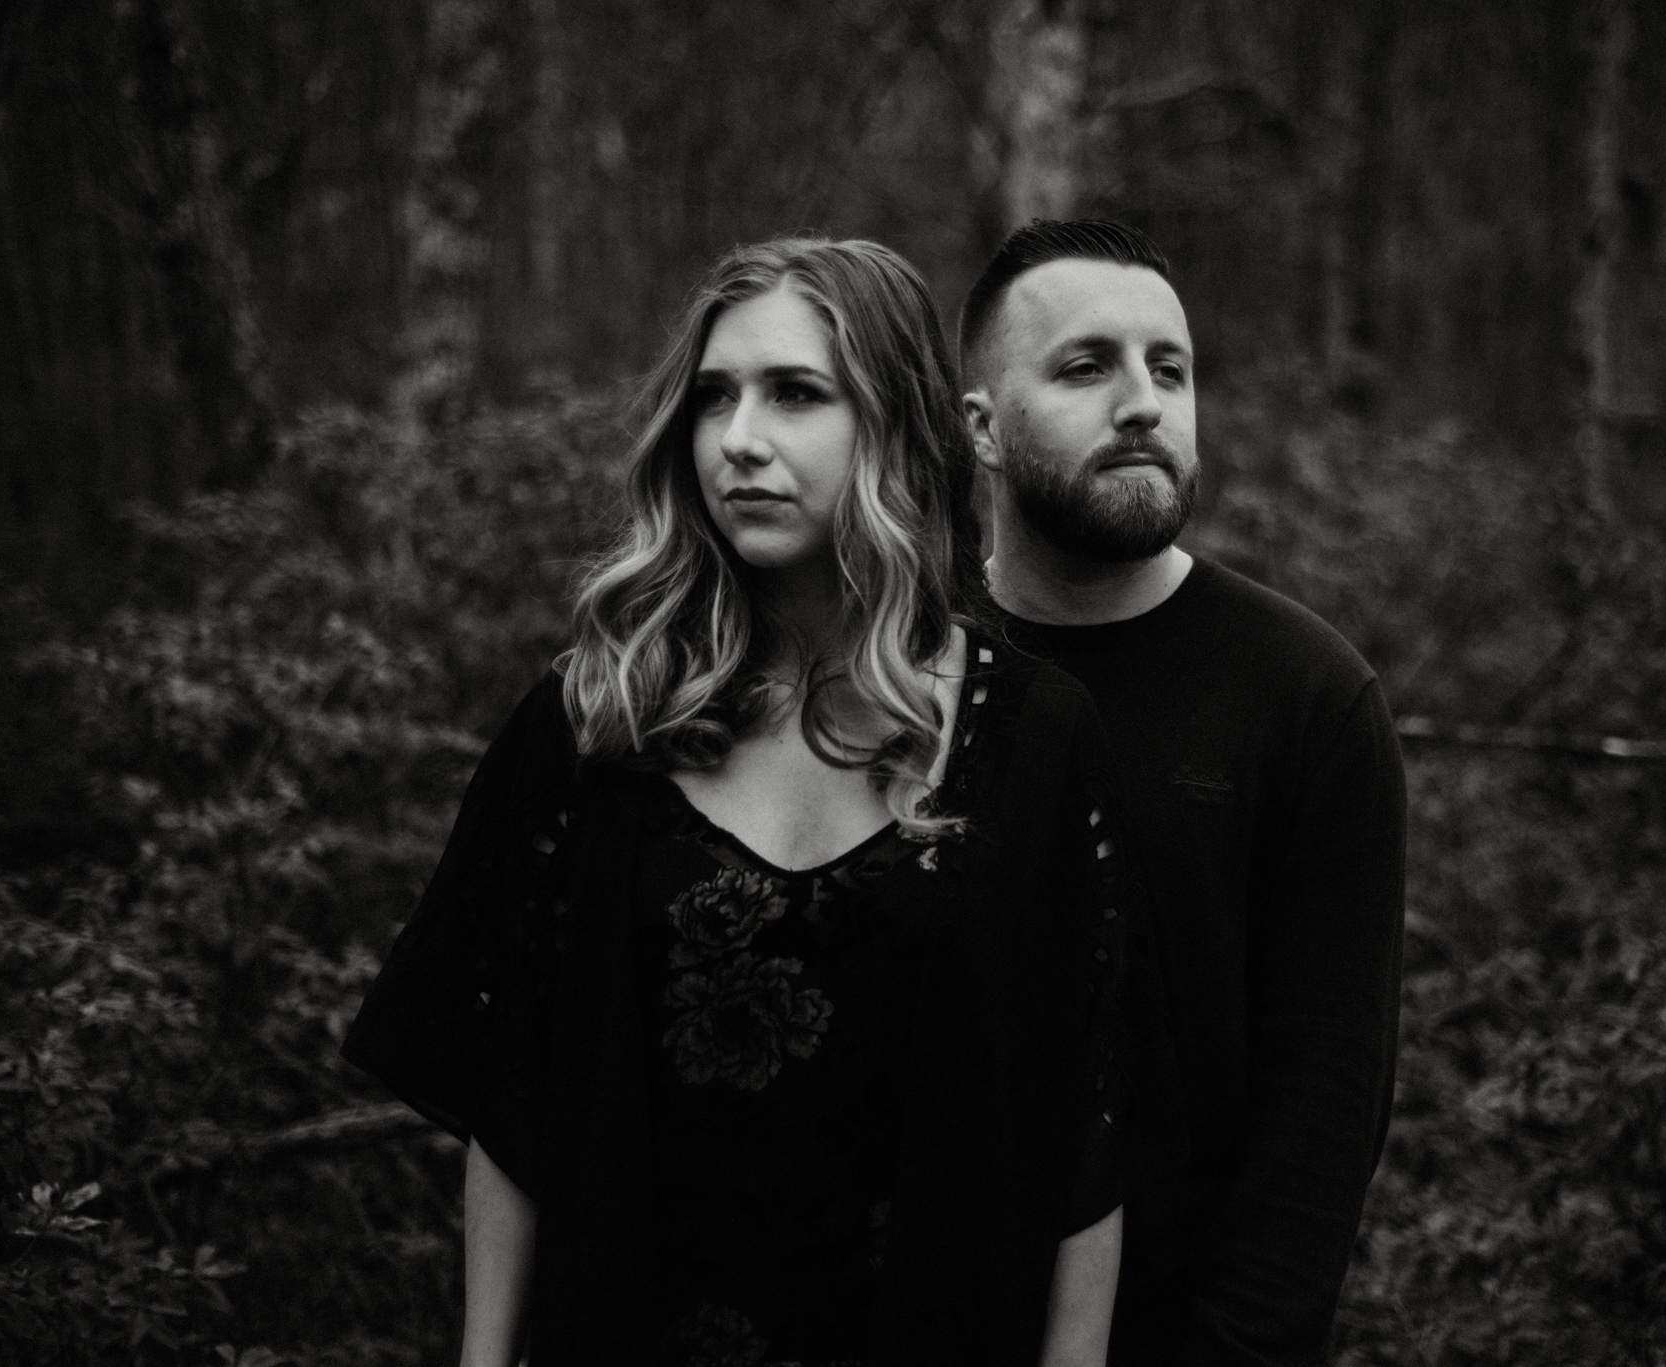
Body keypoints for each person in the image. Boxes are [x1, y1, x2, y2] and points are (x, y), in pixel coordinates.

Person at [344, 238, 1159, 1366]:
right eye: (714, 396)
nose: (739, 440)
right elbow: (515, 1103)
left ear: (894, 424)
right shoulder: (600, 718)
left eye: (795, 394)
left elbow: (1083, 1137)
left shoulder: (1033, 738)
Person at [958, 220, 1407, 1366]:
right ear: (980, 429)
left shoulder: (1306, 695)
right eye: (1083, 366)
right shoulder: (901, 662)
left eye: (1169, 367)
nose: (1144, 403)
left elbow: (1322, 1110)